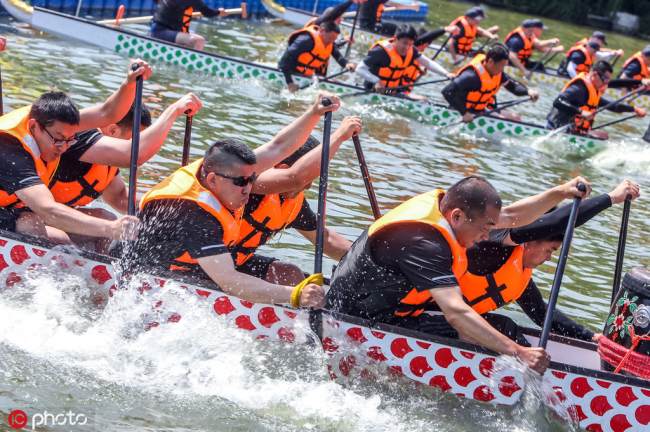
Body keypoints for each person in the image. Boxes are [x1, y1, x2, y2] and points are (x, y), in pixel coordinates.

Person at [326, 176, 592, 374]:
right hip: (356, 323)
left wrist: (561, 192)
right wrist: (519, 352)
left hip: (389, 312)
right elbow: (455, 312)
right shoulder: (426, 243)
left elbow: (512, 215)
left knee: (499, 327)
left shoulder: (449, 207)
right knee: (502, 335)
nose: (488, 237)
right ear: (456, 216)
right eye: (485, 228)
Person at [127, 93, 341, 309]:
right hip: (149, 280)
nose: (249, 190)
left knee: (289, 273)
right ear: (212, 180)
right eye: (241, 183)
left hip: (203, 264)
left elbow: (279, 146)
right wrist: (296, 295)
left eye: (251, 180)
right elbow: (230, 282)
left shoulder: (226, 170)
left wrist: (314, 112)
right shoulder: (193, 214)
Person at [462, 179, 640, 346]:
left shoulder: (518, 276)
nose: (548, 258)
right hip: (436, 318)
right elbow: (556, 222)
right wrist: (611, 198)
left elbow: (542, 314)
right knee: (505, 326)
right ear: (532, 238)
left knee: (506, 329)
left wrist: (591, 337)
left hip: (451, 321)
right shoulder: (494, 242)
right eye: (550, 250)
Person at [0, 60, 152, 243]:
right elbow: (47, 209)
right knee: (32, 223)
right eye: (58, 139)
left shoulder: (51, 120)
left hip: (11, 208)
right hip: (24, 212)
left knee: (96, 222)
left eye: (69, 140)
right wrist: (111, 229)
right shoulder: (10, 149)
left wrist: (129, 83)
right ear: (34, 127)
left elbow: (107, 113)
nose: (63, 148)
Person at [46, 94, 202, 254]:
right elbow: (135, 155)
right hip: (33, 215)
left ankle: (102, 269)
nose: (139, 145)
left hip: (58, 218)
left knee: (106, 217)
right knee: (78, 232)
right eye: (135, 140)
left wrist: (171, 214)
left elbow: (119, 197)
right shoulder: (78, 136)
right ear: (113, 130)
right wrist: (173, 111)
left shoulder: (104, 158)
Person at [232, 116, 362, 285]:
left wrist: (366, 260)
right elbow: (296, 178)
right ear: (283, 169)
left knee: (290, 274)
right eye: (309, 179)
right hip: (204, 258)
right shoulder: (249, 182)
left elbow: (325, 239)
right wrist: (338, 135)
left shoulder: (294, 204)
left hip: (234, 262)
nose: (308, 187)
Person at [547, 61, 647, 139]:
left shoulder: (594, 88)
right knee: (604, 136)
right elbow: (558, 101)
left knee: (605, 137)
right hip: (557, 129)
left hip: (573, 131)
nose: (607, 83)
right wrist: (581, 112)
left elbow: (613, 105)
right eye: (606, 80)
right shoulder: (579, 88)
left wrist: (634, 109)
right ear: (595, 75)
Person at [442, 43, 540, 123]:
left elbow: (513, 87)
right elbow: (447, 91)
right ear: (490, 61)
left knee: (516, 118)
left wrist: (528, 91)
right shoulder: (471, 76)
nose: (502, 70)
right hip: (463, 112)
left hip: (480, 110)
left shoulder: (496, 72)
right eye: (501, 67)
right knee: (505, 122)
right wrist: (464, 113)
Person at [355, 24, 455, 97]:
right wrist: (376, 81)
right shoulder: (380, 51)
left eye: (410, 44)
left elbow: (427, 62)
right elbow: (359, 69)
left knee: (423, 100)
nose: (407, 47)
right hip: (373, 91)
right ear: (395, 39)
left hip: (392, 93)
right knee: (422, 99)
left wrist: (446, 74)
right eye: (405, 43)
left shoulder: (411, 50)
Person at [279, 21, 356, 93]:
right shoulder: (306, 40)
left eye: (334, 39)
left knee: (336, 82)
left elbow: (338, 57)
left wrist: (347, 64)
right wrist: (290, 82)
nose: (332, 42)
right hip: (292, 73)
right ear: (322, 30)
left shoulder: (329, 43)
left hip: (307, 75)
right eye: (330, 38)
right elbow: (284, 60)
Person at [397, 26, 461, 99]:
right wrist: (444, 30)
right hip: (390, 92)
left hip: (401, 93)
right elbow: (425, 38)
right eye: (424, 46)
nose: (424, 50)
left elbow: (427, 63)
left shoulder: (414, 55)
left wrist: (418, 68)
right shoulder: (408, 48)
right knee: (423, 99)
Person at [149, 0, 228, 50]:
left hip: (171, 32)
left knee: (201, 40)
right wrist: (219, 12)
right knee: (194, 40)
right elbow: (207, 12)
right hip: (159, 32)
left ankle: (193, 60)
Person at [558, 32, 624, 78]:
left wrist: (613, 54)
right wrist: (579, 81)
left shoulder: (590, 50)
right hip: (566, 75)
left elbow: (600, 55)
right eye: (601, 42)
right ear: (588, 47)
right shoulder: (579, 54)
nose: (595, 54)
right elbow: (570, 69)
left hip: (579, 75)